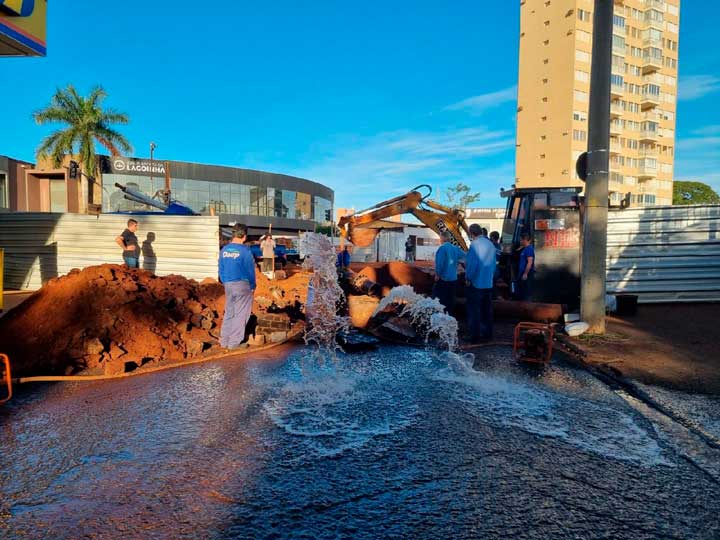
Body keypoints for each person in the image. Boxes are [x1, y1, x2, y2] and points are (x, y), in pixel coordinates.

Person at [219, 225, 256, 350]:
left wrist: (225, 281)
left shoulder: (224, 250)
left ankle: (224, 341)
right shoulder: (245, 251)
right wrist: (252, 285)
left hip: (228, 284)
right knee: (241, 314)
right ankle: (234, 343)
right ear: (244, 236)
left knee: (230, 311)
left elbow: (221, 268)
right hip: (242, 285)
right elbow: (250, 271)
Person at [465, 223, 496, 343]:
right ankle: (488, 334)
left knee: (474, 311)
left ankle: (474, 336)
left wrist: (468, 278)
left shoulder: (474, 245)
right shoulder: (490, 245)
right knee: (486, 310)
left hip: (476, 283)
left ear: (471, 233)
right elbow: (493, 265)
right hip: (488, 283)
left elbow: (473, 265)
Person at [432, 231, 466, 313]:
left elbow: (440, 263)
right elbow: (465, 257)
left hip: (443, 279)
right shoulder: (455, 248)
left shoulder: (442, 248)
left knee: (438, 299)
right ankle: (449, 316)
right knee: (450, 300)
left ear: (443, 238)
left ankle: (439, 316)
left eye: (440, 237)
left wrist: (437, 274)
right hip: (453, 279)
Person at [516, 232, 535, 301]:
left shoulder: (529, 249)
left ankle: (527, 307)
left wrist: (525, 273)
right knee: (521, 292)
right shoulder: (524, 249)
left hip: (526, 274)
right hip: (521, 273)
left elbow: (530, 262)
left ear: (525, 240)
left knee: (526, 293)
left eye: (521, 240)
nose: (520, 241)